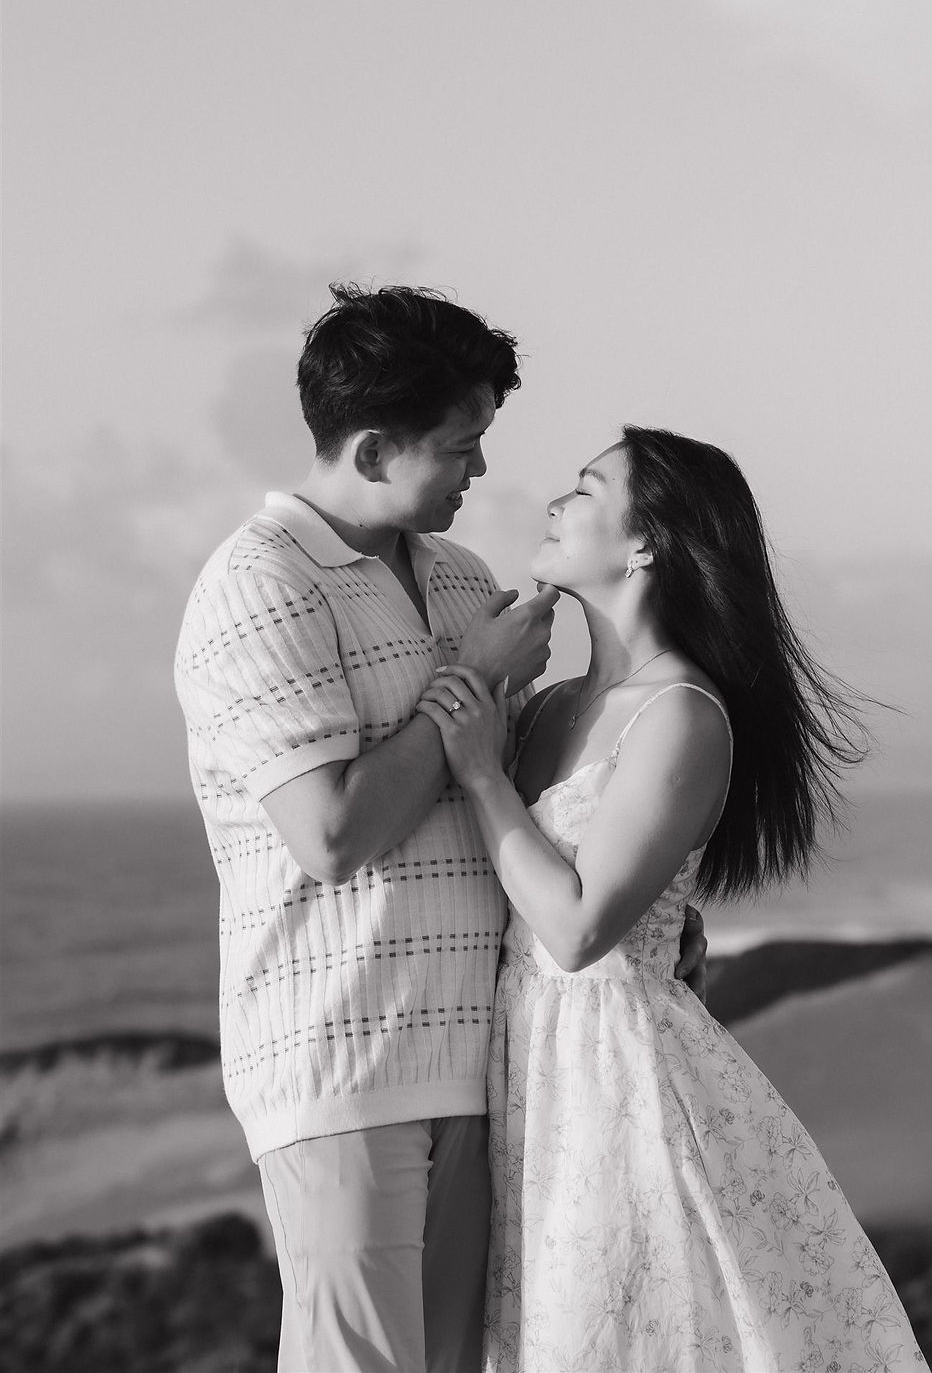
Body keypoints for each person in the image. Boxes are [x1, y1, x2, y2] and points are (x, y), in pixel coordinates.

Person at [174, 290, 707, 1373]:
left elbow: (506, 796)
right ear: (372, 449)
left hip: (487, 1059)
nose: (478, 473)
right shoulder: (257, 586)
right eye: (459, 449)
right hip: (341, 1063)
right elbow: (330, 835)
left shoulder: (463, 580)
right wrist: (472, 682)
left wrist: (647, 896)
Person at [418, 427, 928, 1373]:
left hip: (608, 1077)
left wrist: (484, 777)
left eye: (585, 489)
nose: (556, 506)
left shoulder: (682, 714)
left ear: (647, 542)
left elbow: (574, 929)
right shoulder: (546, 703)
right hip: (510, 1067)